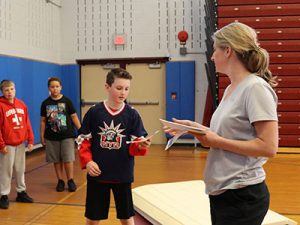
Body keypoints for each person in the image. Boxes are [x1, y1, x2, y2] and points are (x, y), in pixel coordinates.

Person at [163, 22, 278, 225]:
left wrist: (216, 141)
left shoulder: (255, 88)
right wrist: (196, 128)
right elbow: (225, 136)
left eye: (215, 49)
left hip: (242, 194)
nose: (212, 55)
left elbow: (268, 147)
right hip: (223, 192)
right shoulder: (232, 88)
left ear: (228, 51)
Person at [77, 68, 151, 225]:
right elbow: (83, 139)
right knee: (92, 218)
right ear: (107, 87)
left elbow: (135, 144)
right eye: (119, 88)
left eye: (126, 88)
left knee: (126, 217)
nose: (123, 92)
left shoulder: (132, 114)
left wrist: (142, 145)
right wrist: (88, 161)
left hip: (122, 175)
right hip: (98, 175)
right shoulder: (94, 112)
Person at [40, 77, 81, 192]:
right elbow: (43, 121)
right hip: (52, 136)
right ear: (49, 88)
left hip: (67, 135)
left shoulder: (67, 101)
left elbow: (73, 116)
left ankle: (70, 180)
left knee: (68, 158)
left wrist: (81, 130)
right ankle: (60, 180)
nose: (55, 89)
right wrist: (42, 135)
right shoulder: (45, 103)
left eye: (57, 86)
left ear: (61, 87)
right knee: (57, 160)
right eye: (52, 87)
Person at [0, 80, 34, 209]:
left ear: (15, 89)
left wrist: (30, 140)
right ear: (2, 92)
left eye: (12, 89)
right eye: (6, 90)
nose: (9, 92)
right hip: (7, 145)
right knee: (5, 171)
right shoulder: (1, 105)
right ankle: (3, 195)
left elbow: (27, 123)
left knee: (20, 169)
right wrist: (1, 144)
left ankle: (21, 192)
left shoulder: (21, 104)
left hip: (20, 143)